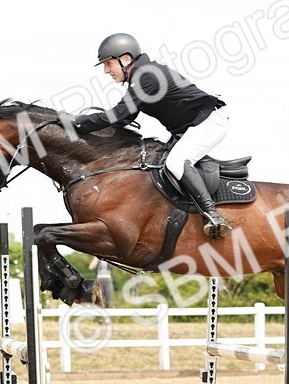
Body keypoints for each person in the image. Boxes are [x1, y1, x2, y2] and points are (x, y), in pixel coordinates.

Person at [64, 33, 231, 240]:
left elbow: (119, 114)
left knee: (176, 162)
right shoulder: (142, 76)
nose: (107, 71)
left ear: (125, 59)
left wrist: (77, 123)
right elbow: (126, 117)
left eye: (108, 64)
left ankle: (212, 215)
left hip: (209, 122)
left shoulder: (146, 76)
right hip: (192, 126)